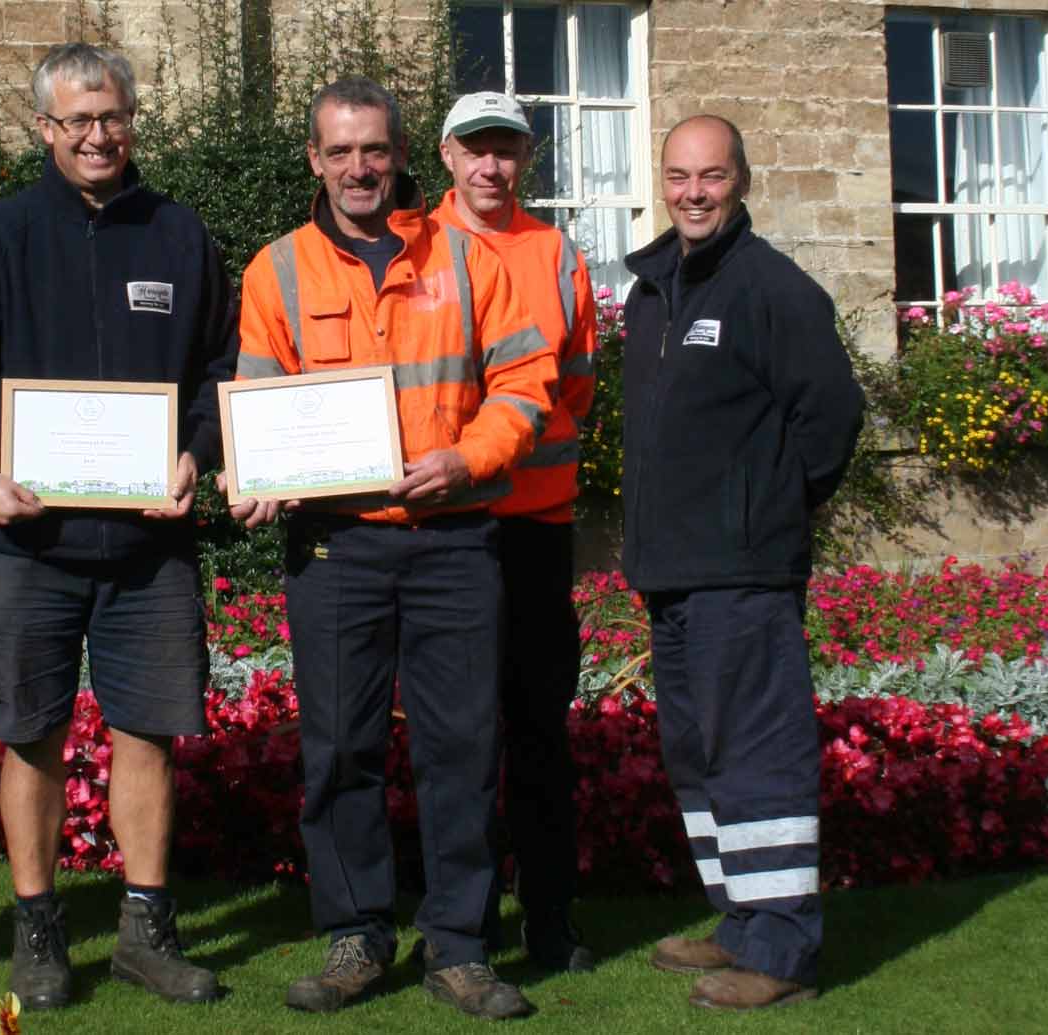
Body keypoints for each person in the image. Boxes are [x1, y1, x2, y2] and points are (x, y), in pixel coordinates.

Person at [0, 43, 236, 1010]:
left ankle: (145, 929)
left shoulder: (180, 236)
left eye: (112, 117)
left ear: (133, 120)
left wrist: (196, 454)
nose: (98, 136)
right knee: (32, 735)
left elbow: (222, 369)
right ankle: (39, 933)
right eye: (76, 121)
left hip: (147, 548)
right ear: (45, 130)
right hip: (27, 542)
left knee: (147, 734)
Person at [232, 76, 558, 1021]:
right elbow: (257, 396)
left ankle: (459, 945)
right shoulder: (277, 270)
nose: (359, 167)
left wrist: (468, 457)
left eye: (374, 149)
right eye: (340, 151)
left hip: (456, 537)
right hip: (336, 547)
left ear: (401, 154)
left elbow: (525, 385)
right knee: (341, 748)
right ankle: (356, 934)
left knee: (462, 747)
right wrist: (254, 473)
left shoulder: (469, 258)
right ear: (314, 160)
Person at [621, 114, 864, 1010]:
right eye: (680, 175)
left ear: (742, 182)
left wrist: (763, 509)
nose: (693, 192)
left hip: (744, 574)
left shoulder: (774, 290)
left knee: (757, 754)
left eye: (712, 176)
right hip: (674, 574)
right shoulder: (654, 290)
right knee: (701, 753)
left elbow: (830, 423)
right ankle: (740, 921)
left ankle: (785, 951)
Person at [431, 91, 598, 973]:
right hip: (446, 534)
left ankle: (550, 914)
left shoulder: (555, 251)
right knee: (455, 736)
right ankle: (461, 919)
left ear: (524, 161)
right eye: (477, 150)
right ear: (448, 156)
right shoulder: (417, 245)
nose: (492, 166)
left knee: (539, 730)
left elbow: (575, 385)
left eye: (508, 151)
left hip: (534, 526)